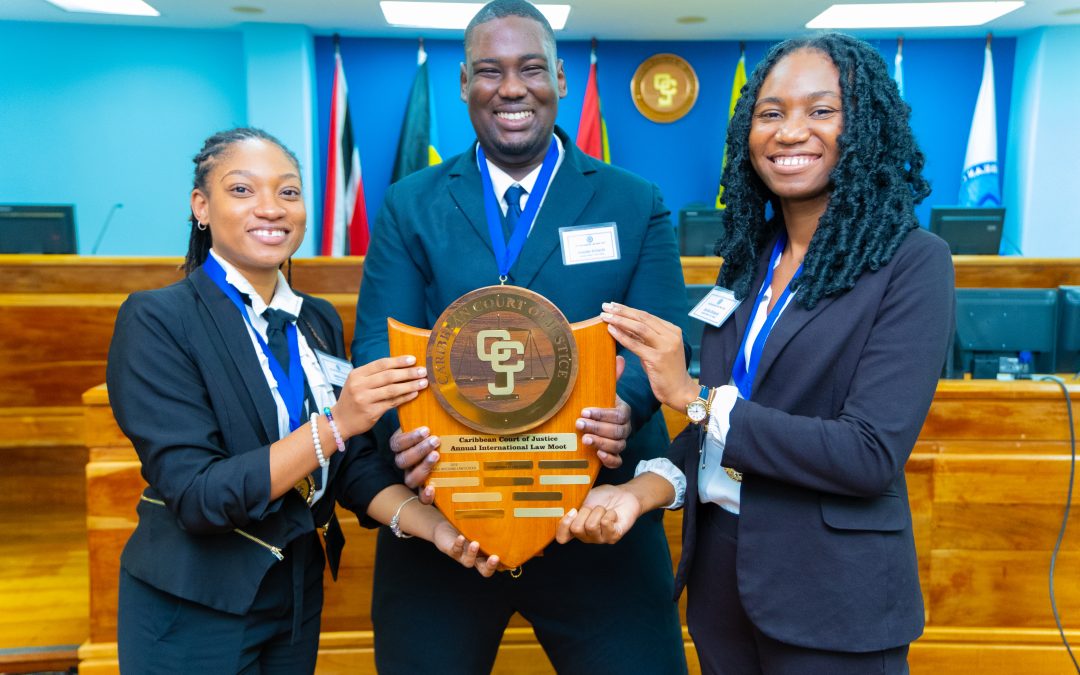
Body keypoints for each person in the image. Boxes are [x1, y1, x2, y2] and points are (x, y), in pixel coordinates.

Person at [556, 34, 956, 674]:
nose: (790, 132)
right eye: (770, 113)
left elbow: (867, 454)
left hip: (832, 596)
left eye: (821, 111)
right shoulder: (747, 260)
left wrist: (689, 397)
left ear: (865, 127)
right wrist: (642, 490)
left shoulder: (912, 262)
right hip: (722, 584)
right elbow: (724, 429)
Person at [352, 1, 689, 673]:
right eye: (489, 70)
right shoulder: (410, 203)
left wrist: (619, 412)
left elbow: (657, 338)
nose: (511, 88)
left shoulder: (634, 200)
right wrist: (409, 436)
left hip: (597, 519)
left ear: (561, 78)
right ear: (463, 84)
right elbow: (377, 351)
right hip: (447, 518)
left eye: (531, 68)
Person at [106, 127, 497, 674]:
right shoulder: (158, 320)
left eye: (288, 192)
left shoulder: (315, 320)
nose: (271, 208)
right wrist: (336, 424)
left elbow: (351, 467)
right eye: (242, 190)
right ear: (201, 205)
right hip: (194, 601)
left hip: (293, 589)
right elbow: (198, 495)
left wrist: (438, 530)